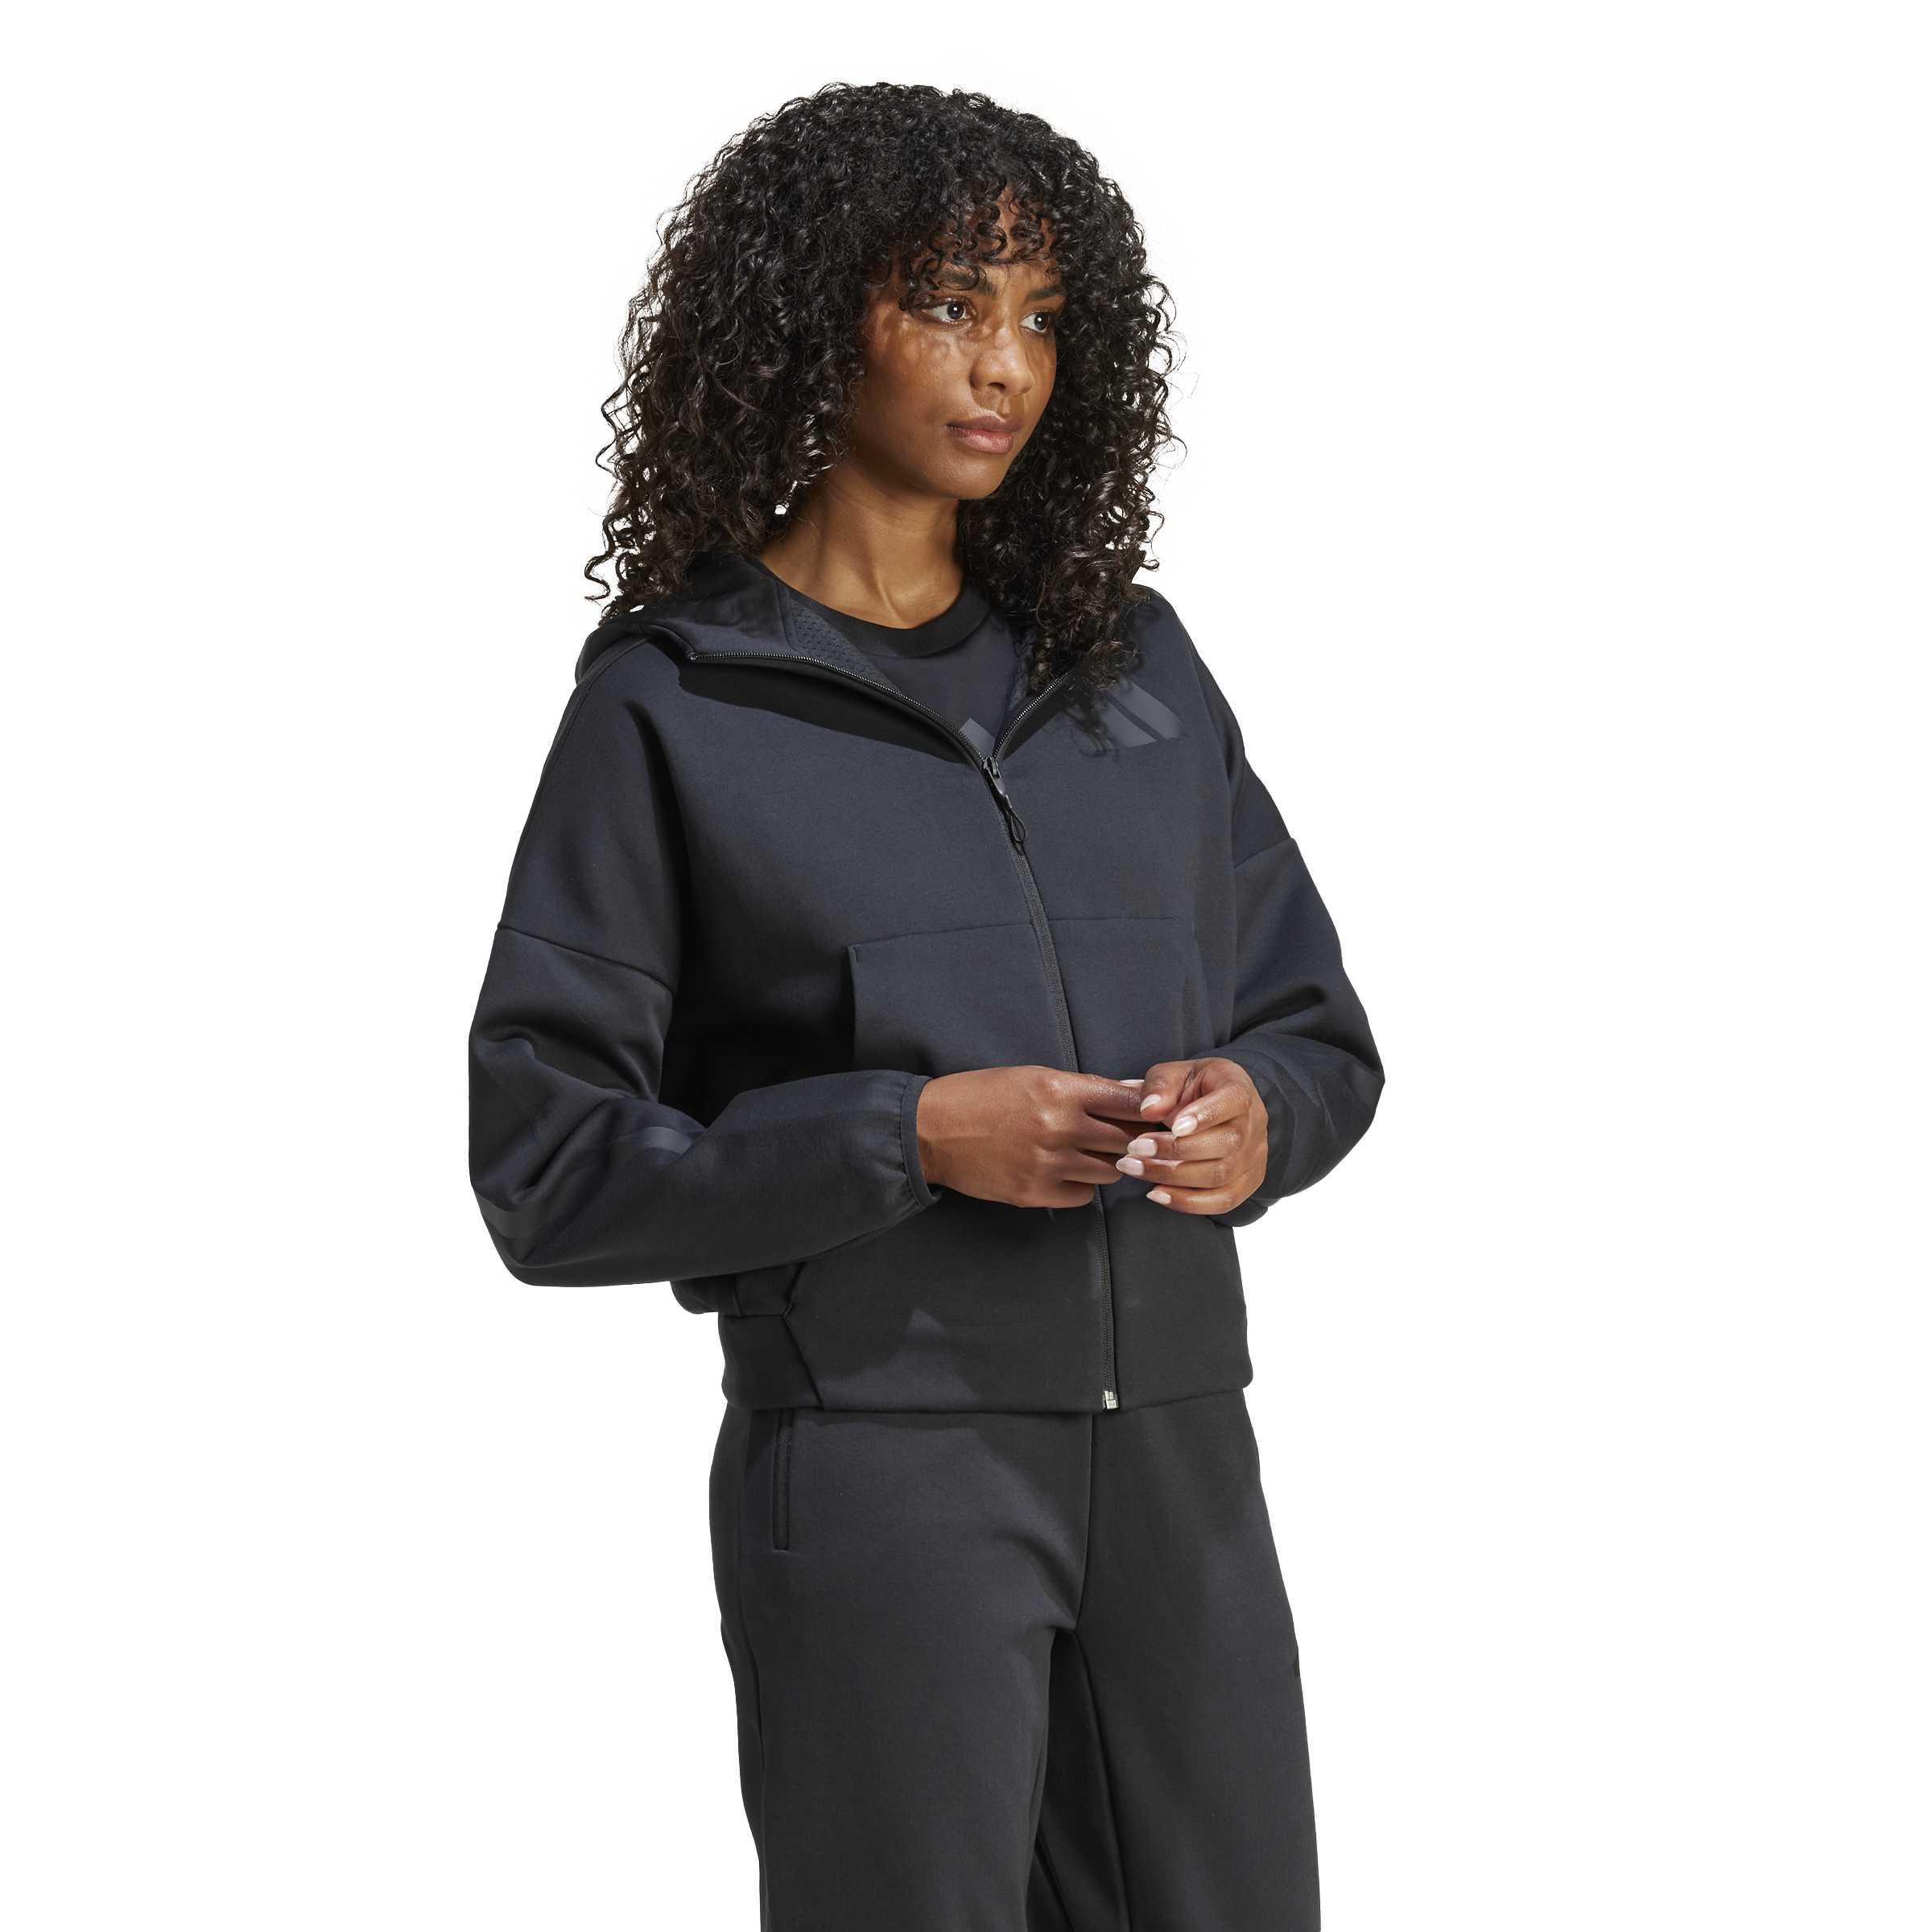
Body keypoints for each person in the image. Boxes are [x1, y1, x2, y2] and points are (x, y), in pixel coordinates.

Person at [467, 80, 1385, 1932]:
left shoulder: (1130, 672)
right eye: (952, 304)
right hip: (887, 1470)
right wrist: (904, 1135)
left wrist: (1262, 1115)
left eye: (1042, 316)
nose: (1006, 365)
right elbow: (548, 1168)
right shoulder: (679, 706)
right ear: (821, 314)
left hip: (1183, 1463)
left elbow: (1315, 1027)